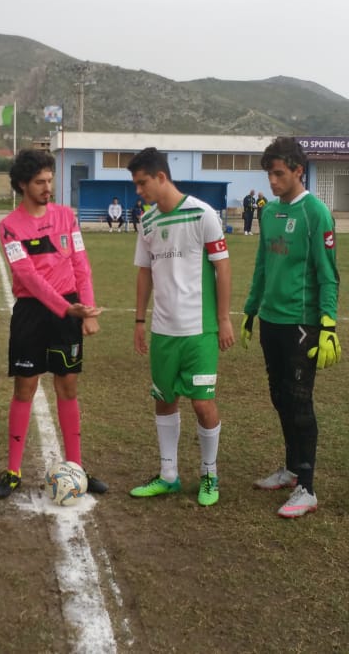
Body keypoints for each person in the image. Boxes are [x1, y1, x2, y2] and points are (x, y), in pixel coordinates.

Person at [0, 150, 107, 499]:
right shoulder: (9, 226)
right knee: (24, 388)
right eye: (40, 182)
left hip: (69, 309)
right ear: (22, 184)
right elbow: (27, 276)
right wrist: (66, 309)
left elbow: (81, 263)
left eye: (50, 180)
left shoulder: (66, 216)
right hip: (32, 312)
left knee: (68, 386)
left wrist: (86, 309)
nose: (47, 187)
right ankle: (13, 471)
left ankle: (77, 467)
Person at [128, 147, 234, 507]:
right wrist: (139, 320)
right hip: (163, 330)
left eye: (142, 182)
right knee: (164, 400)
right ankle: (169, 475)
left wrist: (223, 319)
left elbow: (222, 267)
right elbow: (144, 272)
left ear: (161, 177)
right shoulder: (147, 221)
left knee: (203, 404)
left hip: (199, 330)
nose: (139, 190)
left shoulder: (203, 214)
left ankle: (209, 474)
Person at [241, 138, 341, 518]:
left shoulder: (316, 213)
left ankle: (307, 488)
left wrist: (328, 324)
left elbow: (327, 274)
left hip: (302, 323)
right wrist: (251, 310)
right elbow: (262, 265)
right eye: (269, 174)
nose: (272, 181)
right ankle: (291, 468)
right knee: (280, 397)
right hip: (272, 320)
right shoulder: (268, 212)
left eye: (279, 173)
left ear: (299, 171)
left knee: (300, 403)